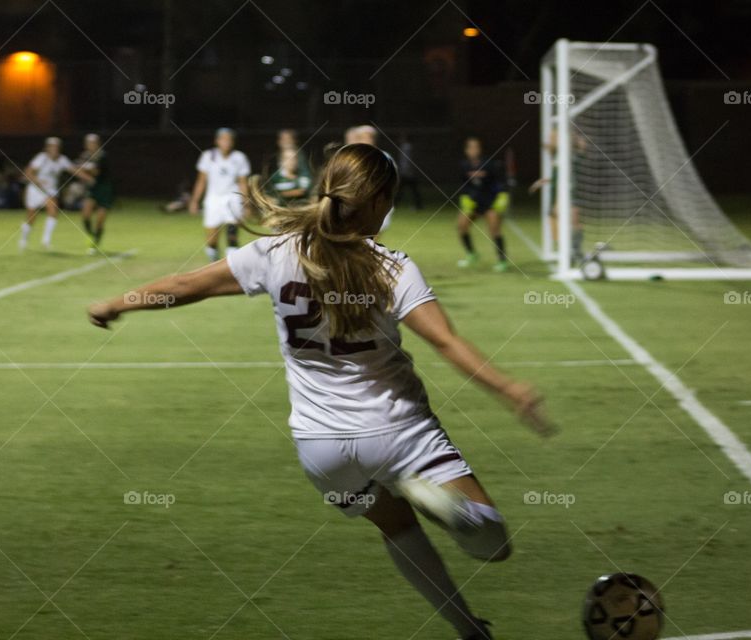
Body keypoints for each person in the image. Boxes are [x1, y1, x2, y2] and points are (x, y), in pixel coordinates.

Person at [88, 143, 555, 640]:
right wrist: (508, 388)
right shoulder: (391, 267)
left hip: (321, 449)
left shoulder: (275, 251)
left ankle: (468, 629)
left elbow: (186, 285)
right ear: (376, 201)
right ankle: (443, 503)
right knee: (493, 544)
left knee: (396, 527)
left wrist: (120, 301)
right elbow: (445, 341)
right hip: (399, 431)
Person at [188, 128, 250, 260]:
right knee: (212, 239)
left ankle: (230, 269)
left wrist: (245, 203)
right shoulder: (208, 156)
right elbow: (201, 181)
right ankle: (214, 261)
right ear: (217, 141)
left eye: (229, 139)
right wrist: (194, 200)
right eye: (223, 139)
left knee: (232, 236)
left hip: (233, 199)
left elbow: (243, 182)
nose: (226, 142)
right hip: (213, 200)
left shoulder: (239, 157)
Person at [19, 137, 91, 250]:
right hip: (35, 189)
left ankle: (45, 241)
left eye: (56, 147)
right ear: (47, 148)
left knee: (53, 211)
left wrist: (89, 178)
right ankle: (24, 239)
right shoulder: (41, 158)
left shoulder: (62, 159)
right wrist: (37, 180)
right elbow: (28, 172)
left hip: (50, 191)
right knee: (31, 217)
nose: (54, 149)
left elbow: (74, 170)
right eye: (52, 147)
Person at [530, 128, 587, 263]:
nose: (551, 140)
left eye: (554, 138)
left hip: (570, 193)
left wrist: (575, 137)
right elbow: (557, 176)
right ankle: (567, 252)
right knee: (555, 222)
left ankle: (576, 251)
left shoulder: (571, 155)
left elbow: (582, 147)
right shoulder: (557, 156)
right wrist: (543, 181)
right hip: (557, 193)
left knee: (574, 221)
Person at [457, 137, 511, 271]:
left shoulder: (489, 164)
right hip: (474, 202)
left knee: (494, 229)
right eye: (470, 147)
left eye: (476, 147)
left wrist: (503, 196)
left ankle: (502, 260)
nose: (473, 150)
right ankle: (472, 254)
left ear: (480, 149)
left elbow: (501, 181)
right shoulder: (464, 165)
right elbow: (464, 185)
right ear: (466, 150)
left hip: (490, 202)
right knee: (461, 225)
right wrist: (465, 197)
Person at [77, 133, 115, 254]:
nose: (90, 145)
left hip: (105, 189)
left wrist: (82, 168)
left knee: (100, 219)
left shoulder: (102, 156)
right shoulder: (85, 156)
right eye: (88, 143)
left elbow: (95, 171)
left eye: (93, 143)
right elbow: (80, 170)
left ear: (97, 144)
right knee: (85, 214)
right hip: (93, 188)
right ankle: (91, 235)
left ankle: (95, 244)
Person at [395, 133, 422, 210]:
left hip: (407, 173)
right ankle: (418, 205)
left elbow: (406, 160)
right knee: (412, 190)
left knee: (402, 190)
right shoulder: (407, 147)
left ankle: (395, 204)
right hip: (408, 172)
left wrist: (406, 170)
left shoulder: (406, 147)